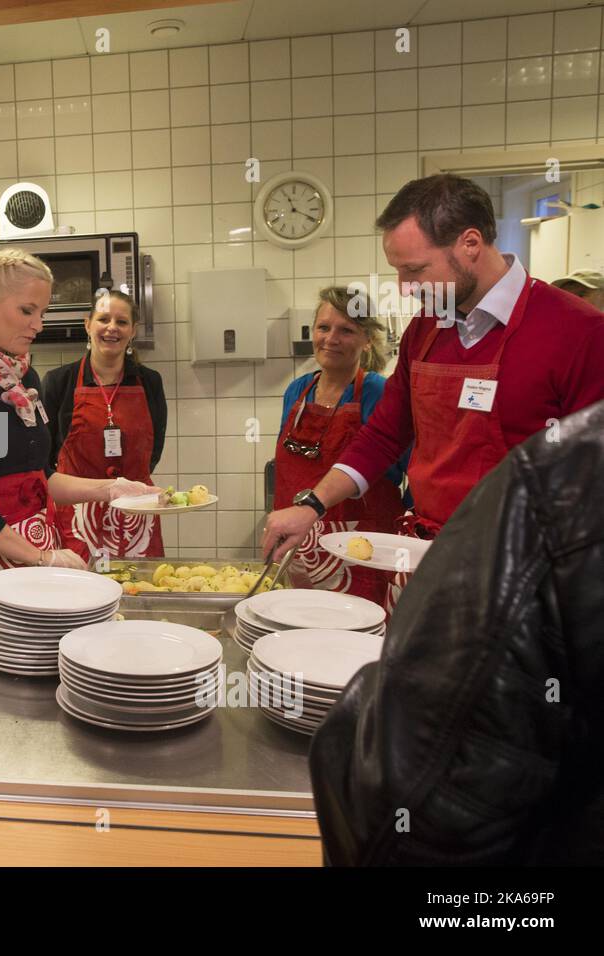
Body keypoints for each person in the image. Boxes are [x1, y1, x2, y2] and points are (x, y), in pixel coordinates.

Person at [262, 174, 604, 577]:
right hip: (424, 553)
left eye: (415, 270)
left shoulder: (580, 332)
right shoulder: (426, 330)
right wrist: (312, 505)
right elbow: (385, 435)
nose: (404, 288)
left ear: (470, 244)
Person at [309, 398, 604, 865]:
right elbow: (383, 435)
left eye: (344, 328)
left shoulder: (556, 479)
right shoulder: (422, 340)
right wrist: (312, 502)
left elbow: (425, 778)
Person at [0, 250, 158, 626]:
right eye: (28, 311)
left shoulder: (23, 379)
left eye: (42, 313)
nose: (38, 324)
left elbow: (42, 476)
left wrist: (109, 489)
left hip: (32, 552)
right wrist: (40, 557)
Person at [272, 287, 408, 605]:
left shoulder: (378, 391)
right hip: (300, 546)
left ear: (367, 339)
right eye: (324, 327)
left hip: (359, 553)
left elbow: (399, 469)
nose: (331, 338)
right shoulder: (298, 391)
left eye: (346, 330)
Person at [42, 289, 167, 561]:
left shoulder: (150, 382)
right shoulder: (58, 381)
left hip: (136, 515)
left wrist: (128, 486)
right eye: (103, 319)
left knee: (138, 592)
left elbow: (154, 450)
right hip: (76, 518)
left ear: (132, 330)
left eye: (121, 322)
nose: (112, 328)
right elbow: (45, 459)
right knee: (79, 598)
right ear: (88, 325)